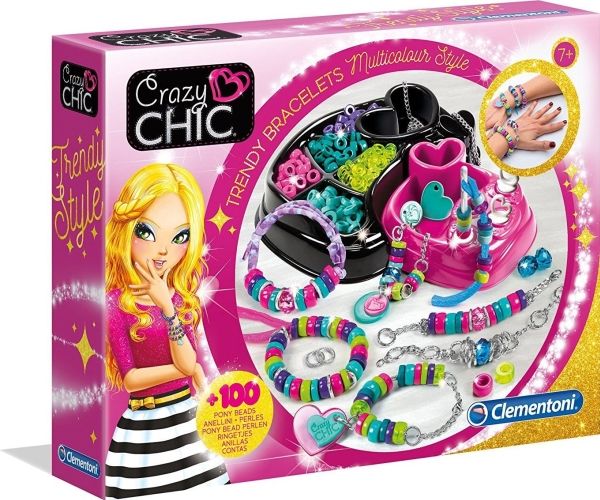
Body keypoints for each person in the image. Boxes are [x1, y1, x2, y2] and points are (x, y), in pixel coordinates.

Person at [104, 163, 229, 498]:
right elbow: (132, 379)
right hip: (144, 429)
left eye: (180, 237)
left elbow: (190, 362)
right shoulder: (115, 303)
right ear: (126, 229)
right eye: (147, 232)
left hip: (188, 420)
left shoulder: (179, 299)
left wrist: (166, 307)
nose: (163, 250)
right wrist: (184, 370)